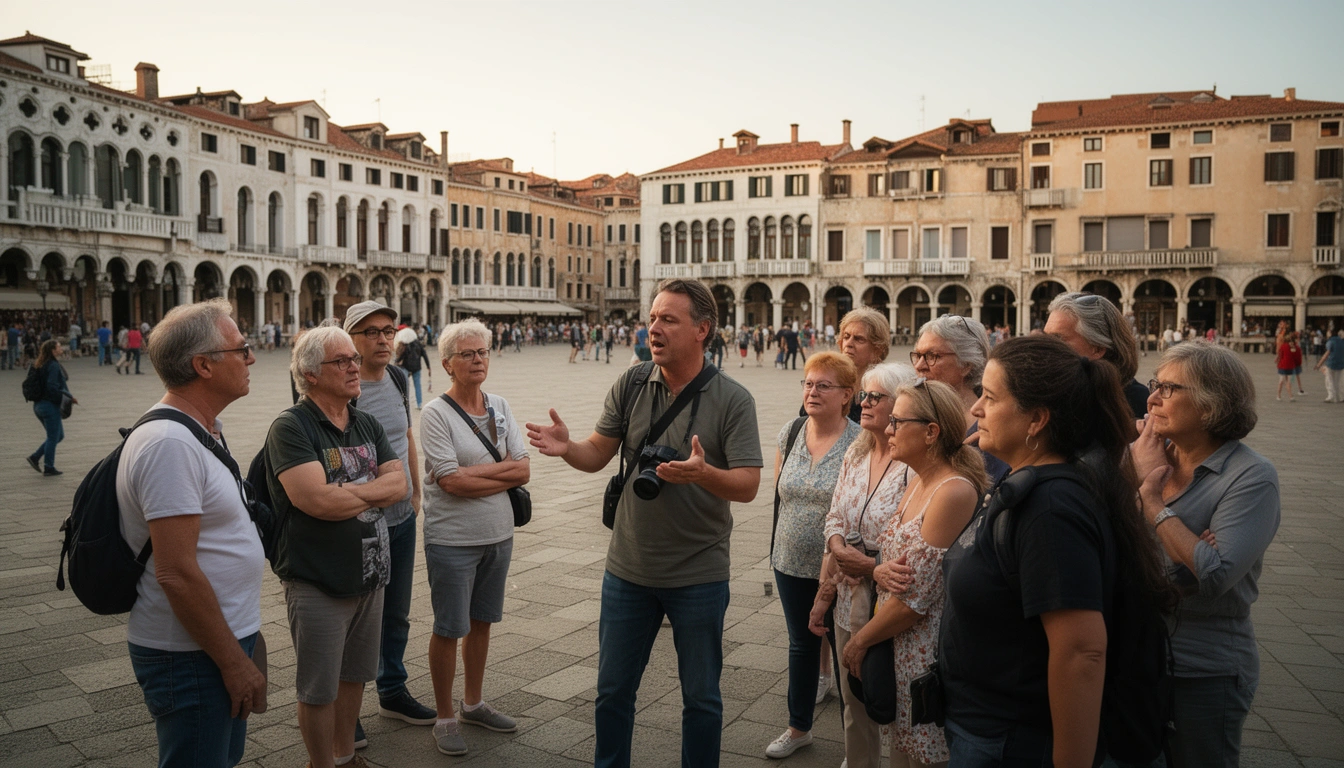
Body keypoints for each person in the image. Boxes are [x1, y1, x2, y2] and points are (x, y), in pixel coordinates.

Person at [525, 279, 762, 768]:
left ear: (703, 330)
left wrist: (704, 474)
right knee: (611, 693)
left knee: (701, 698)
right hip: (627, 570)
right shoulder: (632, 384)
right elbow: (597, 454)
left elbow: (748, 484)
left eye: (668, 320)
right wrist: (567, 446)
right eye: (652, 318)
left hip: (699, 573)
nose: (654, 328)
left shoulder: (733, 400)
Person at [936, 336, 1171, 767]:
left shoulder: (1051, 509)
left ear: (1037, 419)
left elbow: (1081, 651)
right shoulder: (1036, 485)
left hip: (1015, 741)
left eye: (989, 397)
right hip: (989, 728)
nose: (975, 409)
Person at [117, 299, 265, 768]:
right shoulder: (169, 445)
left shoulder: (201, 430)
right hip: (191, 653)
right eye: (241, 349)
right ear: (203, 365)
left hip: (216, 641)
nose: (252, 358)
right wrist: (234, 663)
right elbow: (176, 571)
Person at [1131, 343, 1280, 767]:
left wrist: (1154, 504)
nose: (1152, 397)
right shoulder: (1143, 455)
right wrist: (1188, 550)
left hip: (1205, 669)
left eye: (1168, 388)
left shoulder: (1251, 476)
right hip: (1136, 658)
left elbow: (1215, 576)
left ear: (1213, 403)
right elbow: (1114, 552)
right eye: (1154, 384)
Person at [264, 325, 406, 768]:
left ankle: (346, 756)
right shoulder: (292, 427)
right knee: (319, 685)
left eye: (354, 360)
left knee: (354, 677)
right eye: (342, 361)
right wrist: (370, 488)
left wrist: (347, 489)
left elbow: (399, 485)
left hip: (371, 573)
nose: (354, 367)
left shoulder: (365, 420)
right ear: (309, 374)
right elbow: (314, 501)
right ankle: (321, 764)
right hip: (316, 578)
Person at [840, 378, 988, 767]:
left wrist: (859, 643)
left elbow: (914, 602)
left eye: (897, 422)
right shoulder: (920, 480)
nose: (888, 429)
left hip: (923, 654)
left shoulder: (951, 491)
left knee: (924, 757)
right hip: (900, 647)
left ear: (931, 433)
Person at [420, 319, 529, 756]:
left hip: (499, 534)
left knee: (482, 623)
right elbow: (449, 483)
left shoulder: (499, 405)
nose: (477, 359)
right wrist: (496, 474)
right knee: (450, 627)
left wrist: (473, 474)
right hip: (452, 538)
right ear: (447, 363)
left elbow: (522, 467)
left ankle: (474, 703)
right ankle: (445, 715)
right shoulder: (435, 413)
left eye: (482, 351)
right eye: (467, 354)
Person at [808, 362, 916, 768]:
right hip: (845, 592)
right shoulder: (856, 452)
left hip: (891, 602)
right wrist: (831, 576)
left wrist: (868, 565)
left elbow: (911, 543)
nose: (864, 403)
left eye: (875, 397)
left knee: (896, 703)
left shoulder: (911, 463)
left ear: (902, 405)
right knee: (853, 704)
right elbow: (834, 516)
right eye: (864, 395)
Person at [341, 302, 437, 744]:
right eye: (371, 332)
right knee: (357, 617)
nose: (383, 339)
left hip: (400, 517)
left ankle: (392, 689)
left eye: (388, 331)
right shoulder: (344, 385)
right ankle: (347, 708)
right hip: (359, 522)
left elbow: (406, 438)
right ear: (351, 341)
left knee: (396, 613)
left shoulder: (399, 378)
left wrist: (415, 492)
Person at [765, 352, 862, 759]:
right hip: (788, 559)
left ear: (846, 395)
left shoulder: (860, 442)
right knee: (802, 645)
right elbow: (780, 492)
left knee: (846, 651)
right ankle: (798, 727)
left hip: (839, 566)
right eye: (807, 383)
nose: (812, 391)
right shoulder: (790, 431)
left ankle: (854, 743)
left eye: (823, 385)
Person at [910, 314, 1009, 485]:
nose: (919, 366)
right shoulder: (913, 419)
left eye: (932, 356)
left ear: (966, 364)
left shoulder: (986, 435)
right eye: (918, 355)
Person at [1045, 292, 1148, 417]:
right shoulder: (1048, 393)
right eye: (1046, 338)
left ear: (1097, 348)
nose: (1045, 346)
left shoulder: (1137, 403)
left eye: (1058, 339)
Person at [26, 339, 75, 476]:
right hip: (49, 406)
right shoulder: (53, 365)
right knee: (53, 437)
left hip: (38, 405)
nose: (61, 349)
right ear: (53, 350)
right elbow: (52, 386)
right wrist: (64, 399)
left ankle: (35, 457)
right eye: (59, 347)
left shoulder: (41, 363)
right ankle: (49, 467)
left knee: (58, 435)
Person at [394, 327, 433, 409]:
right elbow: (425, 356)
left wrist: (396, 362)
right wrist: (428, 366)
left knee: (405, 385)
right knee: (417, 385)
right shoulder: (419, 345)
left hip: (406, 367)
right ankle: (419, 403)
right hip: (417, 368)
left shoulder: (406, 346)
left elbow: (402, 357)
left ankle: (405, 401)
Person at [1316, 328, 1344, 402]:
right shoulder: (1342, 341)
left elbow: (1327, 354)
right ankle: (1340, 397)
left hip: (1331, 363)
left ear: (1330, 334)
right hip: (1341, 364)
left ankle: (1331, 396)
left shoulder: (1330, 342)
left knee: (1329, 380)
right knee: (1339, 381)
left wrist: (1319, 364)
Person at [1275, 332, 1303, 401]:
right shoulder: (1295, 348)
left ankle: (1280, 395)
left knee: (1281, 381)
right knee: (1288, 382)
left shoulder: (1284, 347)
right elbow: (1298, 358)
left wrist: (1277, 362)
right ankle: (1289, 396)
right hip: (1290, 366)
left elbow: (1280, 355)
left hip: (1283, 366)